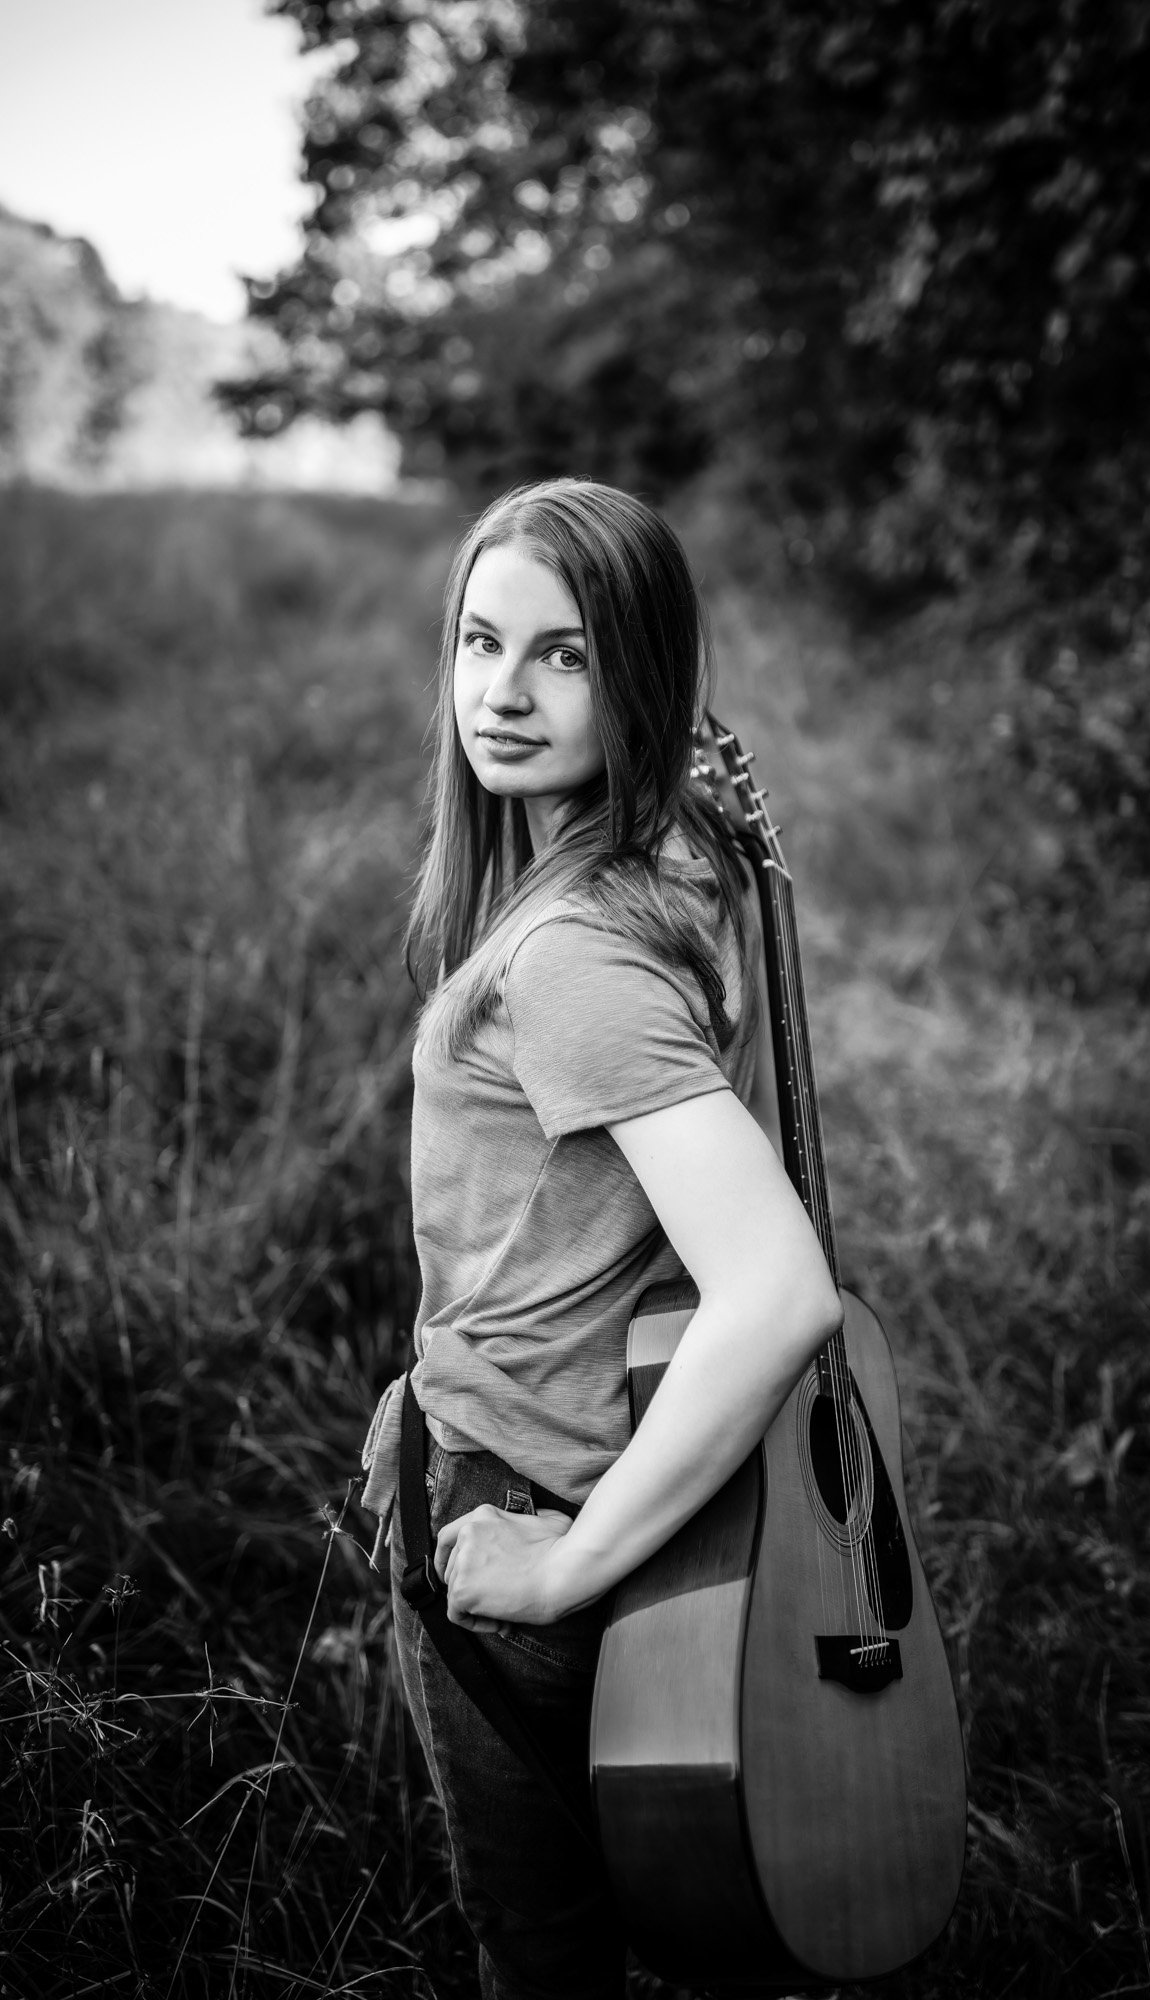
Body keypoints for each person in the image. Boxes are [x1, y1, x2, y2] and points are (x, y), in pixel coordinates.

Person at [359, 477, 842, 2000]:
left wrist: (565, 1571)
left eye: (561, 655)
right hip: (628, 1469)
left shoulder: (571, 953)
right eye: (478, 640)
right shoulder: (673, 859)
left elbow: (776, 1292)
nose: (500, 694)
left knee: (547, 1958)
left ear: (637, 674)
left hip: (541, 1493)